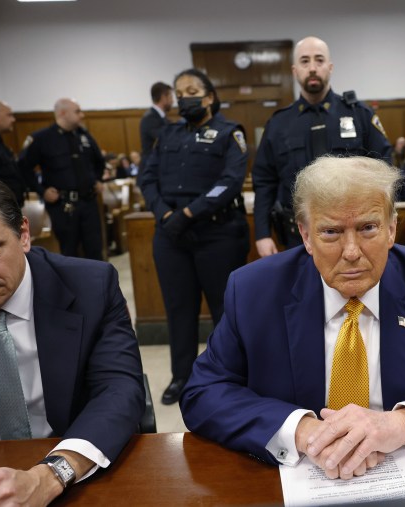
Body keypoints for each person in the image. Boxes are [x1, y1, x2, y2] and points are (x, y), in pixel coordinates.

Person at [182, 155, 405, 480]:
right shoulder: (254, 290)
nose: (352, 251)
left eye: (368, 228)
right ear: (305, 235)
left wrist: (400, 424)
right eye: (331, 232)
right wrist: (302, 430)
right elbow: (203, 392)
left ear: (391, 228)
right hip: (294, 479)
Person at [0, 171, 144, 506]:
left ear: (23, 234)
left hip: (71, 471)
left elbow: (119, 388)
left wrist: (52, 475)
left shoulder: (91, 285)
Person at [139, 68, 249, 406]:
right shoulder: (167, 134)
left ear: (209, 96)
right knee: (179, 309)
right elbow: (147, 177)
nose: (184, 97)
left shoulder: (229, 133)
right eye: (179, 91)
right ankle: (181, 376)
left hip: (217, 234)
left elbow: (230, 181)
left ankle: (227, 376)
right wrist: (165, 214)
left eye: (191, 90)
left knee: (224, 310)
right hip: (171, 235)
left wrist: (188, 213)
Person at [253, 36, 392, 257]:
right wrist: (262, 233)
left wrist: (385, 222)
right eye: (305, 61)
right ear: (294, 70)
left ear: (330, 67)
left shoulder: (359, 115)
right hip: (297, 235)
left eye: (319, 60)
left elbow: (385, 169)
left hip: (353, 232)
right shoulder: (279, 124)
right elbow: (264, 182)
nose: (312, 68)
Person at [17, 98, 106, 260]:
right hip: (63, 206)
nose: (82, 115)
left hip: (88, 202)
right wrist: (41, 191)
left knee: (95, 250)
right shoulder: (43, 138)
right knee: (69, 252)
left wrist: (98, 180)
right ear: (63, 113)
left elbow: (99, 161)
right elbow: (23, 167)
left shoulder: (84, 136)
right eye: (77, 111)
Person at [139, 82, 173, 173]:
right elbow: (166, 138)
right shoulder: (150, 118)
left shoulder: (163, 118)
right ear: (163, 97)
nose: (172, 101)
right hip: (151, 171)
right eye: (170, 96)